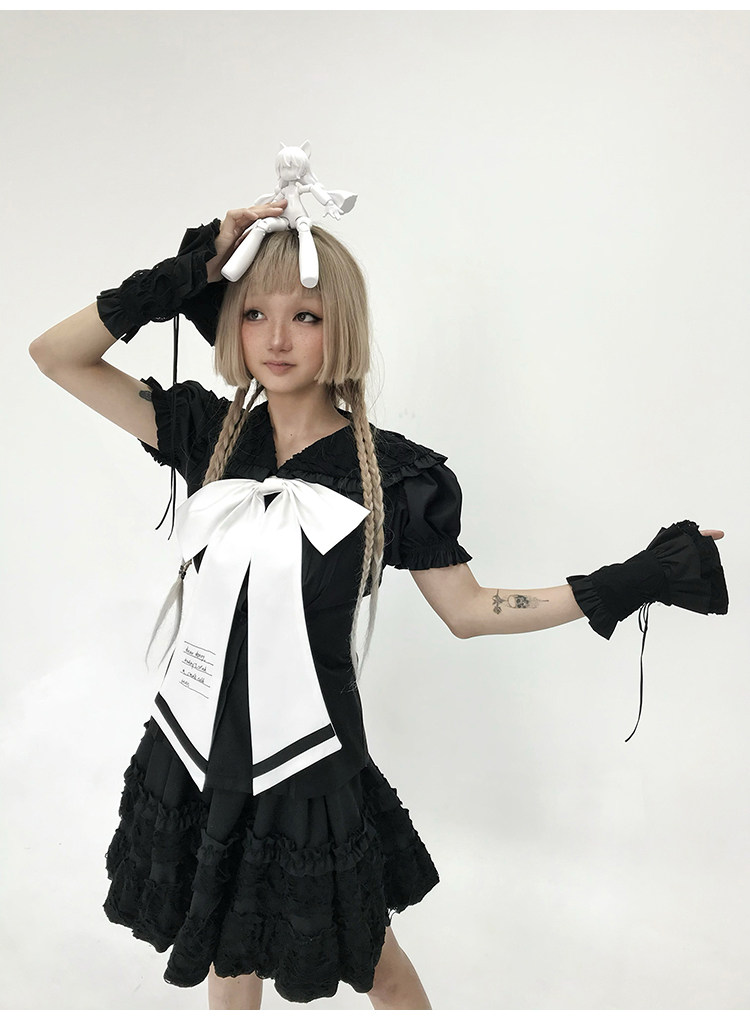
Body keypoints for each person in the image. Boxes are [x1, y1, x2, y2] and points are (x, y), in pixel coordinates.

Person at [28, 200, 728, 1010]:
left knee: (373, 960)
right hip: (198, 742)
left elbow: (469, 609)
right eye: (254, 314)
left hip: (309, 757)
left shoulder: (392, 476)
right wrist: (193, 269)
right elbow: (57, 355)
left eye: (305, 316)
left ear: (343, 330)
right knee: (225, 945)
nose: (277, 338)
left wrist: (631, 579)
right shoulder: (205, 433)